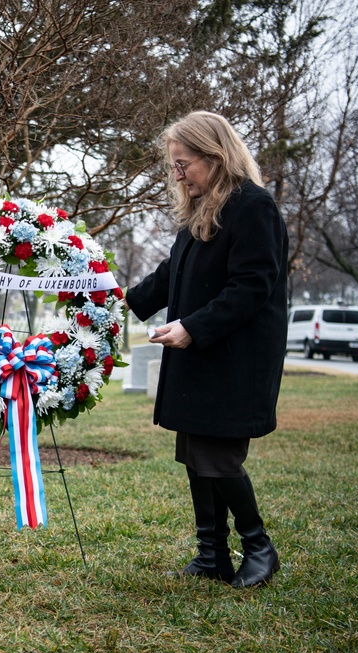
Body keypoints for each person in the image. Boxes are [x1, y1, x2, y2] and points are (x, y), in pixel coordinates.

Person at [125, 111, 288, 588]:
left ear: (215, 156)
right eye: (174, 166)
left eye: (183, 164)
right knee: (196, 454)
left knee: (218, 458)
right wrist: (110, 298)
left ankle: (259, 546)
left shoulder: (252, 206)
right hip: (202, 356)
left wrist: (193, 328)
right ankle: (212, 554)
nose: (178, 174)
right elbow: (166, 276)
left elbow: (252, 285)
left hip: (235, 358)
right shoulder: (202, 213)